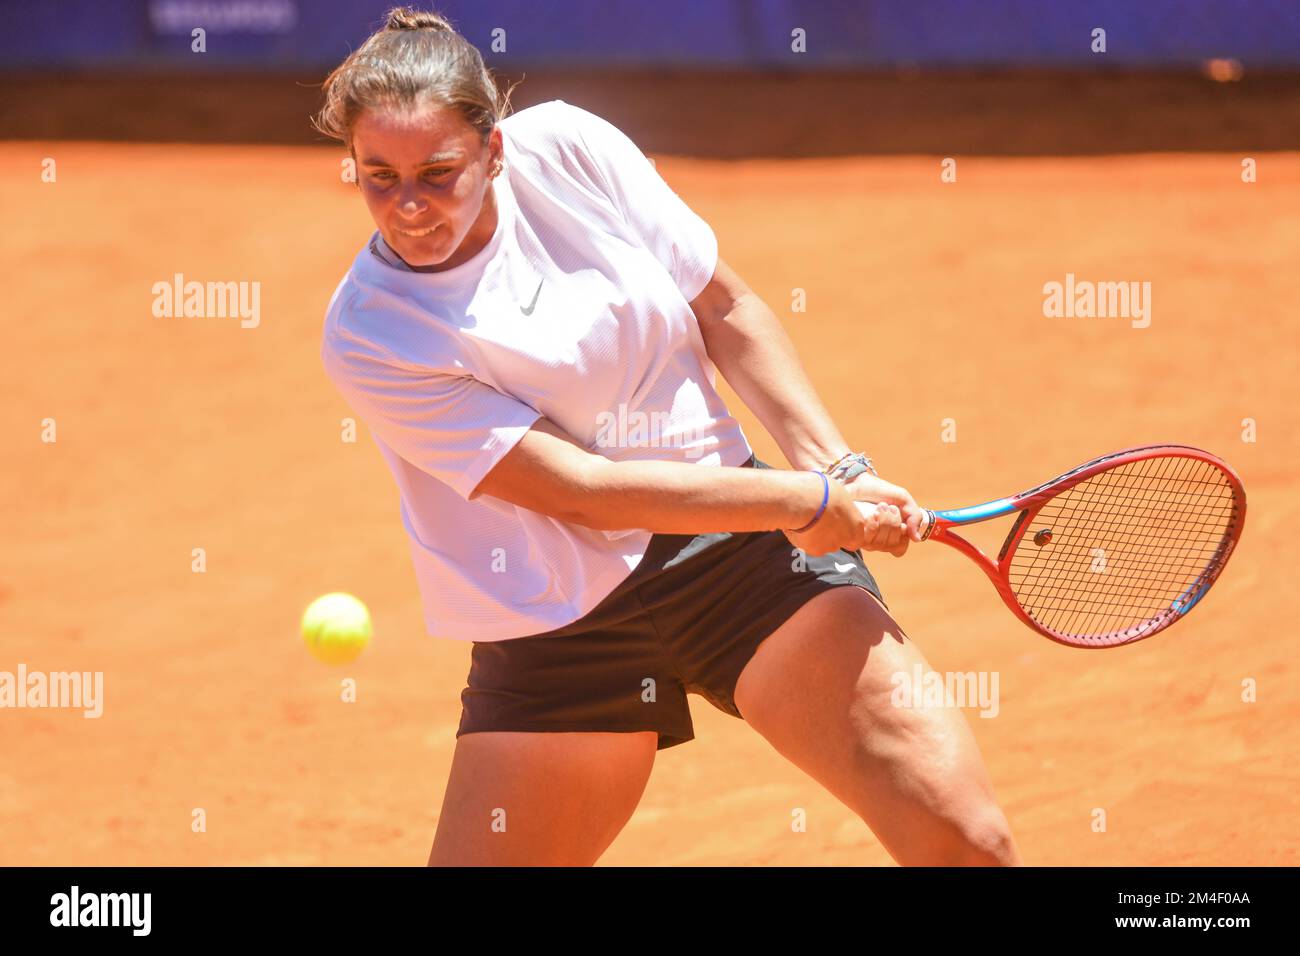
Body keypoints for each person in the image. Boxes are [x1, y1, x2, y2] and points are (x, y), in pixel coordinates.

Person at [315, 6, 1020, 866]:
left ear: (494, 151)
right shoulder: (370, 331)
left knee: (967, 842)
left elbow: (723, 305)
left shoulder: (569, 149)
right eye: (378, 176)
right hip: (555, 621)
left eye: (439, 171)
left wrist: (836, 466)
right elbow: (579, 490)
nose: (410, 205)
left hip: (739, 561)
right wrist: (813, 500)